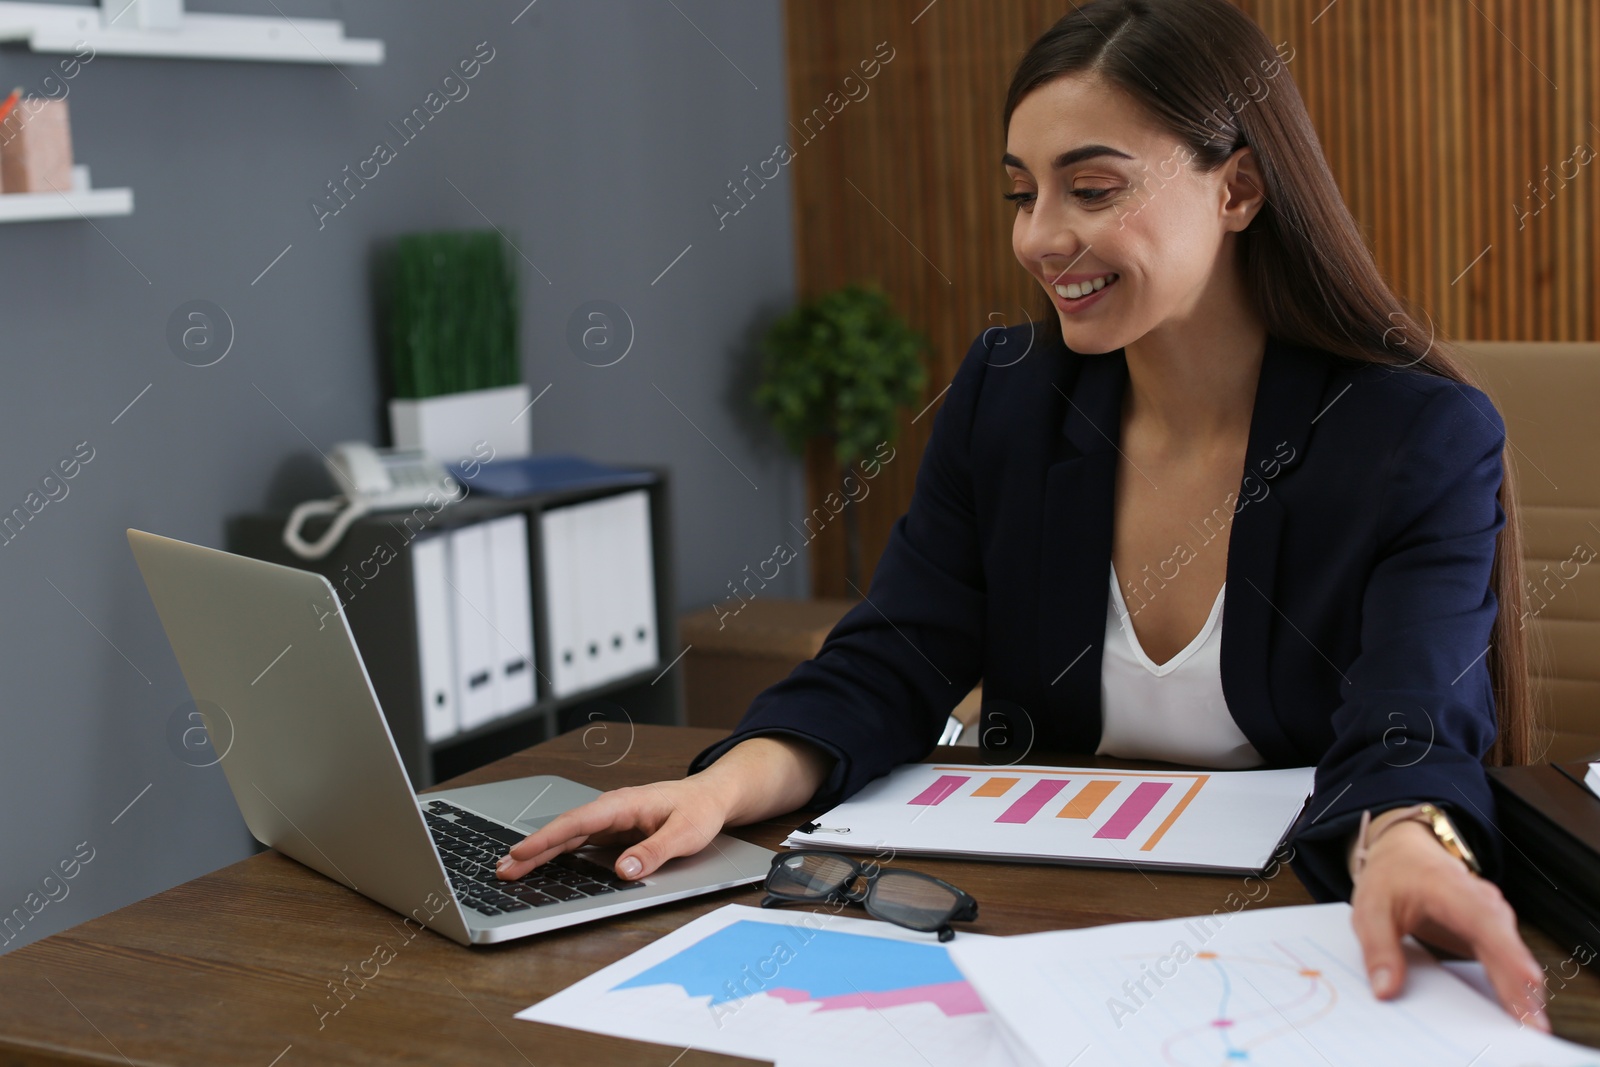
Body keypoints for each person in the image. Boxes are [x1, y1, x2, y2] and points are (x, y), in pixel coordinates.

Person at [498, 0, 1549, 1031]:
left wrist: (1408, 844)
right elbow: (891, 660)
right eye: (1021, 192)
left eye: (1091, 187)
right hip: (1037, 941)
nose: (1041, 237)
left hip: (1280, 961)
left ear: (1237, 188)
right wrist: (718, 790)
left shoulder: (1414, 436)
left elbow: (1411, 723)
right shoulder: (1007, 395)